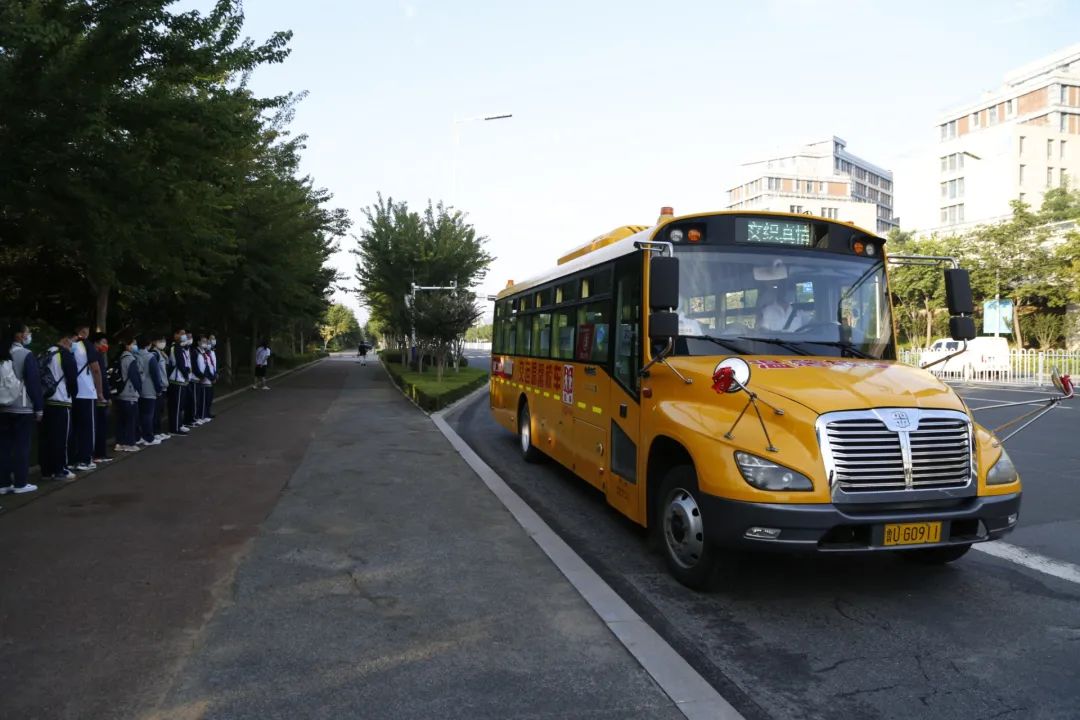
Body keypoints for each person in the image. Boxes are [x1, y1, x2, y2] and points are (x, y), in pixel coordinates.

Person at [0, 320, 44, 498]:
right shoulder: (26, 354)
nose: (28, 335)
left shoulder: (4, 352)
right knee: (21, 446)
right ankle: (20, 482)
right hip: (23, 406)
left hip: (3, 406)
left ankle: (3, 483)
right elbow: (33, 384)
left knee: (4, 446)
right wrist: (39, 407)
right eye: (27, 332)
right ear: (19, 335)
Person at [39, 332, 78, 481]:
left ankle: (46, 470)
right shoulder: (65, 355)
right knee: (62, 438)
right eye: (73, 341)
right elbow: (72, 379)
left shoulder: (46, 352)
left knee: (46, 438)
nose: (73, 345)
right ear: (66, 339)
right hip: (61, 400)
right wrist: (72, 394)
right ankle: (60, 469)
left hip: (46, 400)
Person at [69, 323, 107, 471]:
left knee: (74, 428)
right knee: (88, 428)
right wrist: (100, 392)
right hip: (86, 391)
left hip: (71, 392)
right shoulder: (86, 346)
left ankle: (72, 459)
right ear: (84, 331)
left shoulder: (67, 345)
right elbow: (95, 369)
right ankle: (85, 459)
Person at [135, 333, 165, 447]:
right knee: (148, 415)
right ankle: (148, 437)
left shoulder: (135, 355)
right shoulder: (150, 357)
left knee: (140, 414)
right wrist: (159, 389)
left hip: (137, 389)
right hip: (149, 389)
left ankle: (139, 436)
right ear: (149, 344)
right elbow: (155, 376)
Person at [114, 334, 143, 453]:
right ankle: (129, 443)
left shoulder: (120, 357)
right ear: (128, 345)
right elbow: (135, 377)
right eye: (134, 344)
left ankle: (120, 443)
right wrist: (139, 389)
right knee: (131, 420)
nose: (135, 346)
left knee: (121, 420)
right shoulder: (130, 359)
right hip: (129, 393)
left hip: (120, 392)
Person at [90, 332, 113, 464]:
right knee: (100, 426)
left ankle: (99, 453)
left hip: (97, 395)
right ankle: (99, 453)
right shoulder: (96, 356)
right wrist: (104, 394)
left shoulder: (98, 356)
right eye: (103, 342)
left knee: (100, 426)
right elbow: (101, 377)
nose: (106, 345)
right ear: (96, 343)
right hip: (99, 396)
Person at [167, 328, 192, 435]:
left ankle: (179, 424)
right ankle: (174, 428)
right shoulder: (176, 347)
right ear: (175, 335)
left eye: (184, 334)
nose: (184, 335)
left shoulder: (181, 347)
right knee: (176, 406)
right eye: (181, 333)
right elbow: (180, 364)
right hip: (177, 380)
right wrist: (186, 375)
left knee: (180, 405)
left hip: (182, 380)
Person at [149, 333, 170, 441]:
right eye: (160, 340)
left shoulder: (161, 353)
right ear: (153, 342)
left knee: (160, 410)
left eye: (163, 339)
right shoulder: (154, 354)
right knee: (156, 411)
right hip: (159, 386)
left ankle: (158, 430)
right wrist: (158, 385)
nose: (162, 342)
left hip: (163, 385)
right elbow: (155, 372)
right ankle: (155, 431)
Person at [204, 334, 219, 419]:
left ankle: (208, 412)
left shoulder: (213, 351)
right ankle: (204, 413)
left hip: (213, 375)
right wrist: (211, 377)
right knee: (206, 397)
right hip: (208, 378)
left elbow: (215, 363)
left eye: (214, 339)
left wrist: (216, 372)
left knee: (210, 397)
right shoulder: (206, 351)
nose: (213, 340)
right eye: (211, 339)